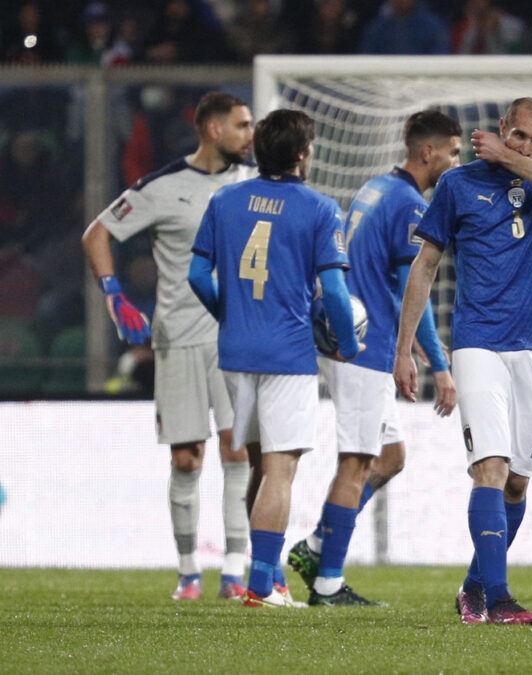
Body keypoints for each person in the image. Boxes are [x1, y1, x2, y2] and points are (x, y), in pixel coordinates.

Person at [394, 97, 532, 625]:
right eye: (518, 135)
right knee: (491, 469)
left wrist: (509, 157)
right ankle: (499, 598)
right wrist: (404, 349)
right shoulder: (457, 185)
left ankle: (473, 589)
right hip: (479, 343)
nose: (528, 146)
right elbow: (425, 265)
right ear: (503, 128)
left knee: (518, 482)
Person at [82, 91, 257, 601]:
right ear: (212, 129)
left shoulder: (255, 183)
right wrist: (115, 296)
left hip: (236, 336)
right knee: (187, 458)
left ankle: (234, 571)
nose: (251, 135)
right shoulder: (163, 187)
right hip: (178, 337)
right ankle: (187, 572)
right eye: (242, 126)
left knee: (237, 451)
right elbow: (98, 234)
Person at [188, 108, 363, 608]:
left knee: (262, 469)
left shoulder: (224, 199)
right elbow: (333, 290)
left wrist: (232, 315)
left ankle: (264, 579)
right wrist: (347, 345)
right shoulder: (319, 208)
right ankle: (263, 587)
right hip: (287, 354)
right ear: (303, 155)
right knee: (281, 470)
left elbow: (199, 276)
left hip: (235, 353)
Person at [286, 110, 462, 606]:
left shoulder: (375, 188)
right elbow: (414, 289)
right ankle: (327, 584)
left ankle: (317, 544)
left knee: (390, 457)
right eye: (452, 152)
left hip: (354, 339)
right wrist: (435, 362)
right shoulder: (409, 205)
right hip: (365, 347)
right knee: (358, 460)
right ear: (427, 152)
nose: (455, 162)